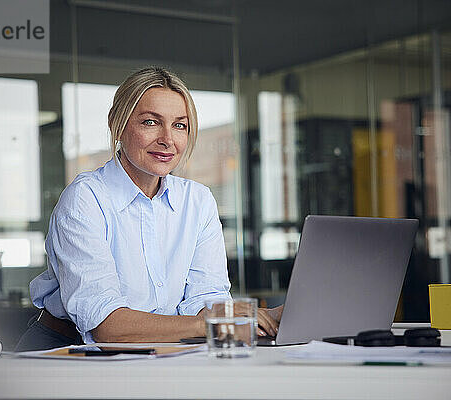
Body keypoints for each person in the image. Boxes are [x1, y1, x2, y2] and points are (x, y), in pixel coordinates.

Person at [16, 67, 281, 351]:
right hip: (63, 350)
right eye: (151, 122)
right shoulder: (85, 199)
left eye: (180, 125)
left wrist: (266, 320)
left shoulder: (198, 201)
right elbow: (106, 327)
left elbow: (205, 299)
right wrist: (215, 323)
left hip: (158, 347)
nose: (168, 139)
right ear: (117, 125)